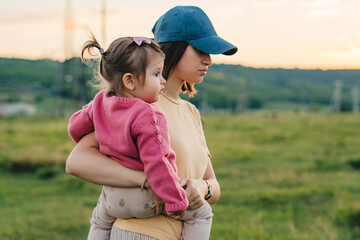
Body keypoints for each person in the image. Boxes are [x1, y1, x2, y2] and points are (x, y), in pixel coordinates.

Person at [66, 5, 237, 240]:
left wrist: (202, 189)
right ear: (173, 49)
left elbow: (213, 183)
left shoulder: (191, 112)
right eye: (199, 50)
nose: (208, 60)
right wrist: (146, 180)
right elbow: (76, 161)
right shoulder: (138, 106)